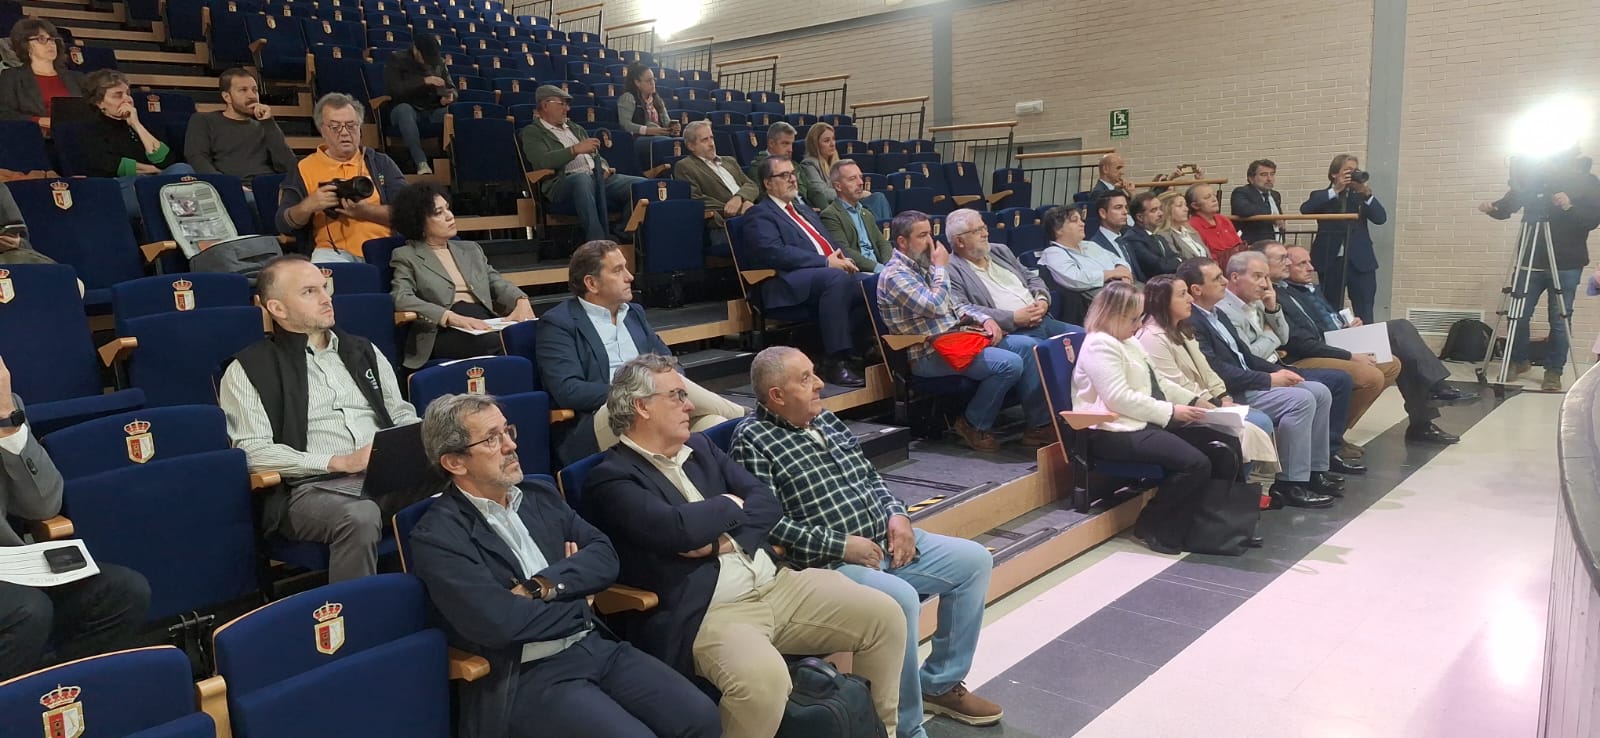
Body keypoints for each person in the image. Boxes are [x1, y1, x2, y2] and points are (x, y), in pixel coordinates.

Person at [583, 355, 906, 738]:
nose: (690, 405)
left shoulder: (701, 447)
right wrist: (730, 503)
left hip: (776, 584)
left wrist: (719, 541)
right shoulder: (611, 478)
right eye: (677, 396)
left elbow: (767, 502)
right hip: (710, 611)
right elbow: (678, 530)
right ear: (642, 407)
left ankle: (882, 732)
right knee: (764, 682)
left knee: (885, 615)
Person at [409, 392, 721, 738]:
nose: (511, 445)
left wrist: (542, 586)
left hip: (594, 644)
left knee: (701, 717)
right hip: (527, 674)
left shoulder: (538, 495)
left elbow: (604, 555)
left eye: (508, 431)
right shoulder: (438, 536)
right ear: (455, 462)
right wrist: (580, 597)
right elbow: (501, 623)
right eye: (492, 439)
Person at [730, 346, 1003, 736]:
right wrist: (841, 546)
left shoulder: (826, 419)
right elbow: (769, 525)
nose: (819, 383)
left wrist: (898, 516)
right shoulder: (753, 439)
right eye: (805, 378)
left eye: (814, 373)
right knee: (900, 599)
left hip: (884, 539)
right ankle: (906, 725)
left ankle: (939, 684)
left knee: (974, 561)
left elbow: (872, 478)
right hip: (829, 562)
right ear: (776, 395)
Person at [219, 255, 419, 582]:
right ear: (278, 308)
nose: (326, 298)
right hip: (308, 490)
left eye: (325, 288)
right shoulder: (247, 369)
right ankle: (359, 609)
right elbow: (252, 452)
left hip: (385, 475)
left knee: (469, 473)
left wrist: (422, 442)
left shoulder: (363, 350)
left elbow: (399, 414)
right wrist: (339, 462)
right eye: (309, 292)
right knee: (360, 514)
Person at [1070, 282, 1254, 554]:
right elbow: (1119, 398)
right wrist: (1172, 411)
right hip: (1112, 430)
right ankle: (1154, 524)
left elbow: (1160, 383)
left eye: (1139, 318)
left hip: (1145, 421)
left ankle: (1220, 526)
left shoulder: (1129, 341)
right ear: (1112, 315)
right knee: (1195, 463)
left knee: (1225, 444)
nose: (1138, 325)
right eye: (1133, 319)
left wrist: (1195, 401)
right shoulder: (1099, 344)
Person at [0, 354, 151, 680]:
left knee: (123, 591)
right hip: (18, 598)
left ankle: (59, 695)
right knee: (29, 611)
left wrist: (6, 420)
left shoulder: (7, 409)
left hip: (9, 567)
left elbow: (44, 505)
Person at [536, 240, 746, 465]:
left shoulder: (634, 313)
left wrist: (656, 392)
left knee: (714, 422)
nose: (629, 277)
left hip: (654, 407)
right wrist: (635, 392)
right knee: (662, 382)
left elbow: (670, 363)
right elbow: (569, 390)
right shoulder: (559, 323)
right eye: (618, 270)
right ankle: (749, 416)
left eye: (626, 268)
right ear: (592, 283)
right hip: (601, 419)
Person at [1174, 258, 1342, 509]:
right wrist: (1269, 379)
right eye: (1217, 278)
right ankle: (1290, 483)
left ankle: (1315, 471)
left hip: (1249, 380)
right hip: (1233, 390)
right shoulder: (1194, 322)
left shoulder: (1218, 314)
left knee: (1319, 391)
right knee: (1302, 400)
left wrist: (1281, 371)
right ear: (1197, 290)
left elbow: (1246, 357)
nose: (1224, 282)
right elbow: (1219, 371)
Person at [1275, 243, 1469, 443]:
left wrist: (1347, 323)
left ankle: (1425, 414)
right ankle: (1433, 395)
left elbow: (1326, 319)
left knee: (1400, 343)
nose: (1311, 268)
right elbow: (1305, 336)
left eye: (1309, 262)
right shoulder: (1283, 295)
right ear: (1285, 267)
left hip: (1340, 337)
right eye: (1302, 264)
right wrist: (1348, 349)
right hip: (1323, 347)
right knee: (1397, 333)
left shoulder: (1311, 289)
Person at [877, 210, 1023, 452]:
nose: (930, 242)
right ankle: (972, 424)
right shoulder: (894, 275)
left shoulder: (924, 266)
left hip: (959, 338)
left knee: (1029, 347)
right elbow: (935, 306)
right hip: (928, 352)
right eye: (922, 236)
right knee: (1010, 364)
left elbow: (956, 304)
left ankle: (1039, 424)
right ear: (902, 241)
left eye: (930, 234)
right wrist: (941, 268)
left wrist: (985, 318)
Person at [1211, 251, 1361, 472]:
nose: (1264, 284)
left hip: (1273, 363)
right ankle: (1293, 478)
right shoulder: (1225, 311)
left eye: (1266, 277)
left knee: (1322, 391)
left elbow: (1284, 336)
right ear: (1235, 277)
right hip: (1254, 374)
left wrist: (1272, 309)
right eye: (1257, 276)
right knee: (1307, 397)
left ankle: (1318, 467)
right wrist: (1270, 337)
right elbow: (1249, 355)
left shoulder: (1258, 301)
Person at [946, 207, 1073, 445]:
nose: (985, 233)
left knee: (1082, 338)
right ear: (959, 241)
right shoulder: (951, 268)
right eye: (977, 230)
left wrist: (1042, 300)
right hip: (1009, 330)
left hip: (1041, 318)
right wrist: (1013, 317)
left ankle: (1077, 413)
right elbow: (963, 308)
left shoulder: (1000, 251)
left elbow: (1032, 277)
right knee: (1032, 348)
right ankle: (1039, 425)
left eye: (984, 227)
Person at [742, 155, 870, 387]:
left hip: (822, 275)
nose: (792, 179)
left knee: (873, 283)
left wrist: (842, 258)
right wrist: (825, 262)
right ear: (768, 183)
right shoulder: (760, 213)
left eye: (793, 174)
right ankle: (835, 361)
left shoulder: (805, 211)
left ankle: (862, 351)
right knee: (835, 278)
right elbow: (773, 252)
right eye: (784, 175)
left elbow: (829, 243)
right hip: (785, 282)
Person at [1479, 148, 1600, 391]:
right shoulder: (1535, 176)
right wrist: (1493, 208)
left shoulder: (1586, 181)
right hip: (1530, 259)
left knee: (1560, 319)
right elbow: (1511, 203)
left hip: (1566, 263)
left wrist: (1569, 206)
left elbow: (1592, 219)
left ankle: (1554, 371)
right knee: (1517, 315)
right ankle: (1518, 360)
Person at [1135, 275, 1279, 470]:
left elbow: (1207, 371)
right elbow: (1176, 385)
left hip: (1208, 401)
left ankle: (1241, 481)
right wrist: (1216, 404)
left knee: (1258, 420)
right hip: (1185, 409)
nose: (1190, 299)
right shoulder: (1151, 337)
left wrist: (1223, 396)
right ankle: (1236, 483)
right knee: (1257, 423)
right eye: (1182, 294)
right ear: (1163, 301)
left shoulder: (1183, 329)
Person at [387, 182, 535, 368]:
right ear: (419, 223)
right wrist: (450, 317)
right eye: (438, 213)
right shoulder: (406, 255)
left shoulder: (471, 249)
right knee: (498, 342)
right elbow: (400, 297)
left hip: (483, 320)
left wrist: (521, 299)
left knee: (537, 335)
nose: (450, 216)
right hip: (443, 330)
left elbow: (495, 281)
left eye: (448, 208)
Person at [276, 92, 406, 263]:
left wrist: (366, 212)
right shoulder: (304, 167)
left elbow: (410, 214)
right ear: (322, 130)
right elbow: (283, 223)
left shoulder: (380, 163)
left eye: (351, 126)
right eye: (335, 127)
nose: (344, 133)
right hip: (330, 251)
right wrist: (309, 205)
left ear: (360, 128)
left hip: (382, 247)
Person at [519, 84, 644, 243]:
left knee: (642, 186)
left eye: (567, 104)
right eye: (562, 104)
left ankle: (621, 236)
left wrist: (604, 167)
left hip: (597, 178)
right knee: (581, 179)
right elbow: (542, 161)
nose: (567, 109)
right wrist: (574, 150)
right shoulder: (532, 132)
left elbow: (595, 154)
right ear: (545, 105)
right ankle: (597, 242)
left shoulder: (575, 128)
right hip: (563, 183)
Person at [76, 69, 195, 217]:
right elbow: (112, 165)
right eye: (118, 95)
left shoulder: (143, 121)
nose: (127, 99)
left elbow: (167, 161)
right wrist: (155, 170)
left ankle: (168, 212)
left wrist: (136, 125)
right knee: (154, 188)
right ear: (99, 103)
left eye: (128, 93)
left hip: (156, 183)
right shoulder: (89, 129)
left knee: (182, 169)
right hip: (120, 186)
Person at [1300, 154, 1387, 323]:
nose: (1352, 174)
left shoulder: (1360, 196)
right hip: (1331, 261)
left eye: (1355, 170)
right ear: (1334, 173)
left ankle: (1367, 339)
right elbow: (1306, 209)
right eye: (1348, 170)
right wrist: (1336, 190)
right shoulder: (1322, 195)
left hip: (1360, 262)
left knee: (1365, 308)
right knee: (1331, 308)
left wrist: (1366, 194)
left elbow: (1380, 218)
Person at [184, 68, 296, 198]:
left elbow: (289, 166)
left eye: (255, 90)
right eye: (243, 90)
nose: (252, 96)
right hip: (234, 189)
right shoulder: (204, 121)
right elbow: (197, 158)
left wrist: (269, 123)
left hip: (270, 188)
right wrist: (228, 185)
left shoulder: (265, 126)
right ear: (227, 97)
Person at [384, 35, 454, 174]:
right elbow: (395, 89)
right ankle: (421, 163)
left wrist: (448, 97)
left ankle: (453, 165)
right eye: (424, 57)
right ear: (416, 50)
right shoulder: (397, 59)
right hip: (404, 108)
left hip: (432, 109)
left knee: (453, 113)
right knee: (404, 110)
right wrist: (424, 81)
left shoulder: (438, 62)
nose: (427, 62)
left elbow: (451, 87)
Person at [0, 19, 82, 136]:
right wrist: (39, 121)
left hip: (74, 138)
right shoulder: (11, 77)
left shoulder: (77, 78)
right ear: (25, 44)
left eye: (52, 39)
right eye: (41, 39)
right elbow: (5, 113)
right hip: (32, 138)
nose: (50, 44)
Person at [673, 119, 757, 231]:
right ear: (691, 146)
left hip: (750, 211)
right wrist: (735, 207)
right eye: (705, 140)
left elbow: (751, 185)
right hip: (725, 222)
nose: (711, 144)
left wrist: (740, 198)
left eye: (711, 138)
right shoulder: (685, 166)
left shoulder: (729, 161)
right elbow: (696, 199)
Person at [1038, 203, 1132, 302]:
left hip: (1121, 288)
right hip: (1099, 299)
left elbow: (1117, 260)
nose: (1082, 224)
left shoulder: (1090, 245)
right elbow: (1075, 279)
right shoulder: (1053, 253)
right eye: (1074, 220)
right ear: (1058, 230)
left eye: (1081, 220)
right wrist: (1112, 274)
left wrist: (1123, 272)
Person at [819, 158, 891, 273]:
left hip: (880, 270)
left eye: (860, 177)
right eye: (852, 179)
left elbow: (882, 243)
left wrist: (889, 266)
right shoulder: (830, 215)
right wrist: (880, 269)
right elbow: (844, 250)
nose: (860, 182)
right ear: (838, 186)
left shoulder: (866, 213)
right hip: (857, 272)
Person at [615, 62, 677, 162]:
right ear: (637, 82)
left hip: (659, 136)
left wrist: (672, 127)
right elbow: (625, 124)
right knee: (667, 143)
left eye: (653, 80)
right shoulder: (628, 98)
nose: (653, 83)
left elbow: (666, 123)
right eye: (648, 80)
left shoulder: (657, 100)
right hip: (638, 139)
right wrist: (648, 130)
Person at [1123, 190, 1183, 278]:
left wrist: (1177, 260)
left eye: (1160, 209)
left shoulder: (1158, 237)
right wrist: (1178, 261)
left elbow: (1178, 257)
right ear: (1140, 217)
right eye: (1154, 210)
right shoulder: (1133, 239)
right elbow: (1160, 267)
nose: (1161, 214)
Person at [1087, 190, 1144, 281]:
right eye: (1118, 207)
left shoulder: (1128, 239)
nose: (1125, 212)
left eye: (1126, 207)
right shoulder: (1094, 246)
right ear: (1103, 213)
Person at [1230, 159, 1286, 244]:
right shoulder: (1241, 192)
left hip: (1277, 243)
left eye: (1272, 174)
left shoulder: (1275, 195)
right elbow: (1243, 209)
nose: (1269, 179)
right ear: (1251, 178)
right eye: (1264, 175)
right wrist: (1271, 215)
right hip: (1253, 244)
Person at [1186, 183, 1242, 261]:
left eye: (1214, 195)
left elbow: (1239, 245)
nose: (1214, 199)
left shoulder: (1223, 219)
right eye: (1207, 197)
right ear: (1195, 205)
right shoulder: (1192, 226)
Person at [1152, 190, 1210, 260]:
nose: (1186, 209)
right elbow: (1176, 261)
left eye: (1185, 205)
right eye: (1179, 206)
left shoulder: (1192, 232)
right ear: (1167, 210)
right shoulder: (1163, 236)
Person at [1082, 152, 1131, 233]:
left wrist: (1132, 193)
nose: (1122, 172)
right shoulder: (1099, 193)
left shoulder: (1117, 190)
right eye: (1118, 168)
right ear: (1105, 169)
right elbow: (1113, 223)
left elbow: (1133, 212)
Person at [798, 121, 839, 207]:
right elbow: (822, 193)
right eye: (826, 141)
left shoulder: (837, 164)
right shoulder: (809, 164)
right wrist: (849, 194)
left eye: (833, 139)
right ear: (815, 144)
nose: (832, 144)